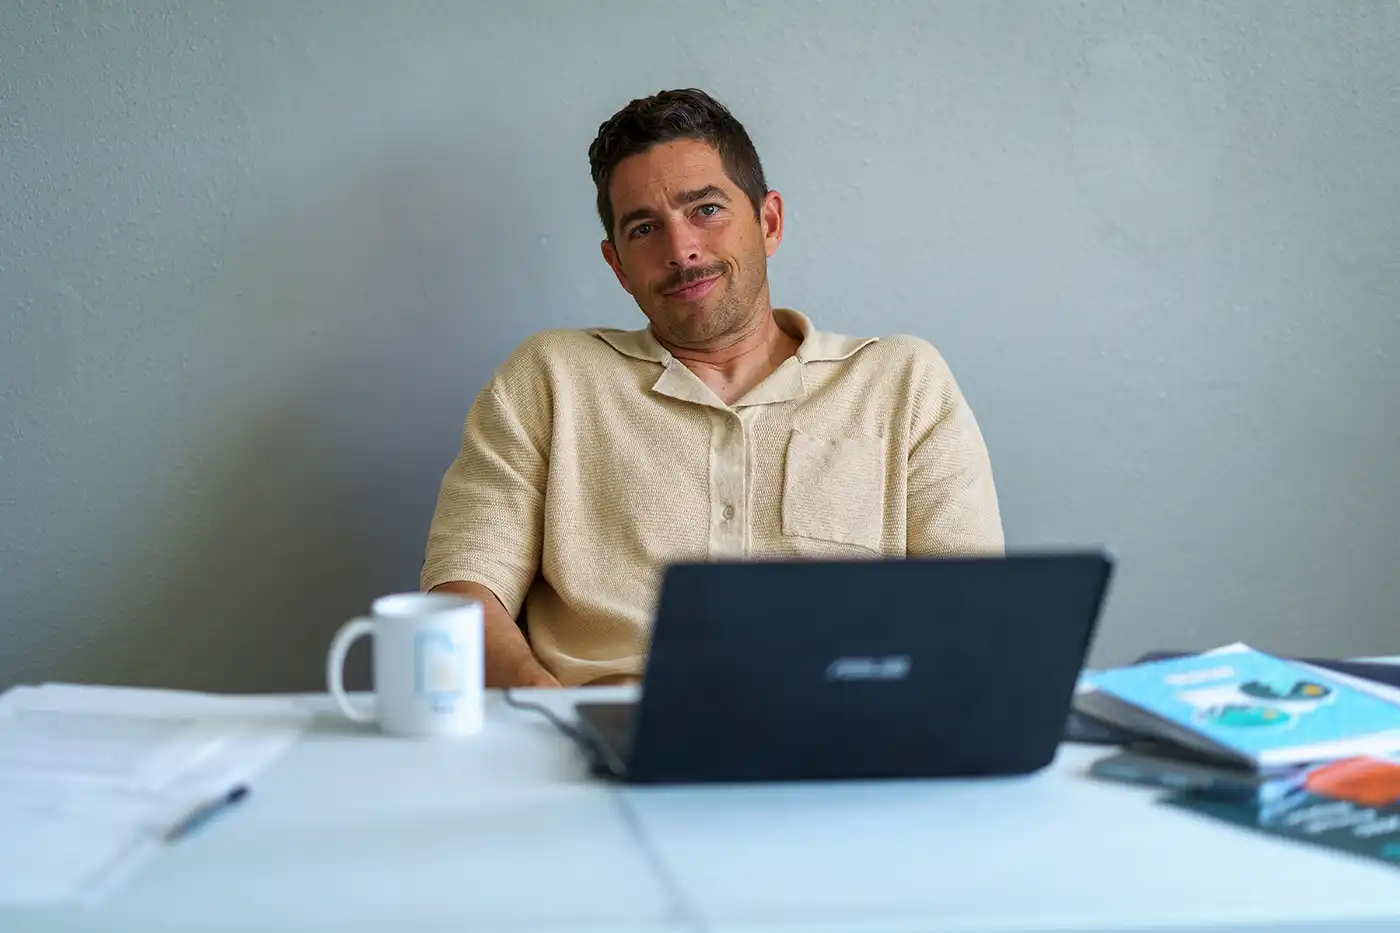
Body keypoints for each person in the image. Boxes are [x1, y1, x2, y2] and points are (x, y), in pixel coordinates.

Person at [422, 89, 1003, 688]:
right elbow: (461, 590)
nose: (681, 250)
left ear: (768, 221)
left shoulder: (901, 383)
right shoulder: (550, 378)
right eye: (645, 228)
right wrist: (552, 717)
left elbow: (975, 612)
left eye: (706, 210)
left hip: (841, 741)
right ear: (618, 265)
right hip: (598, 733)